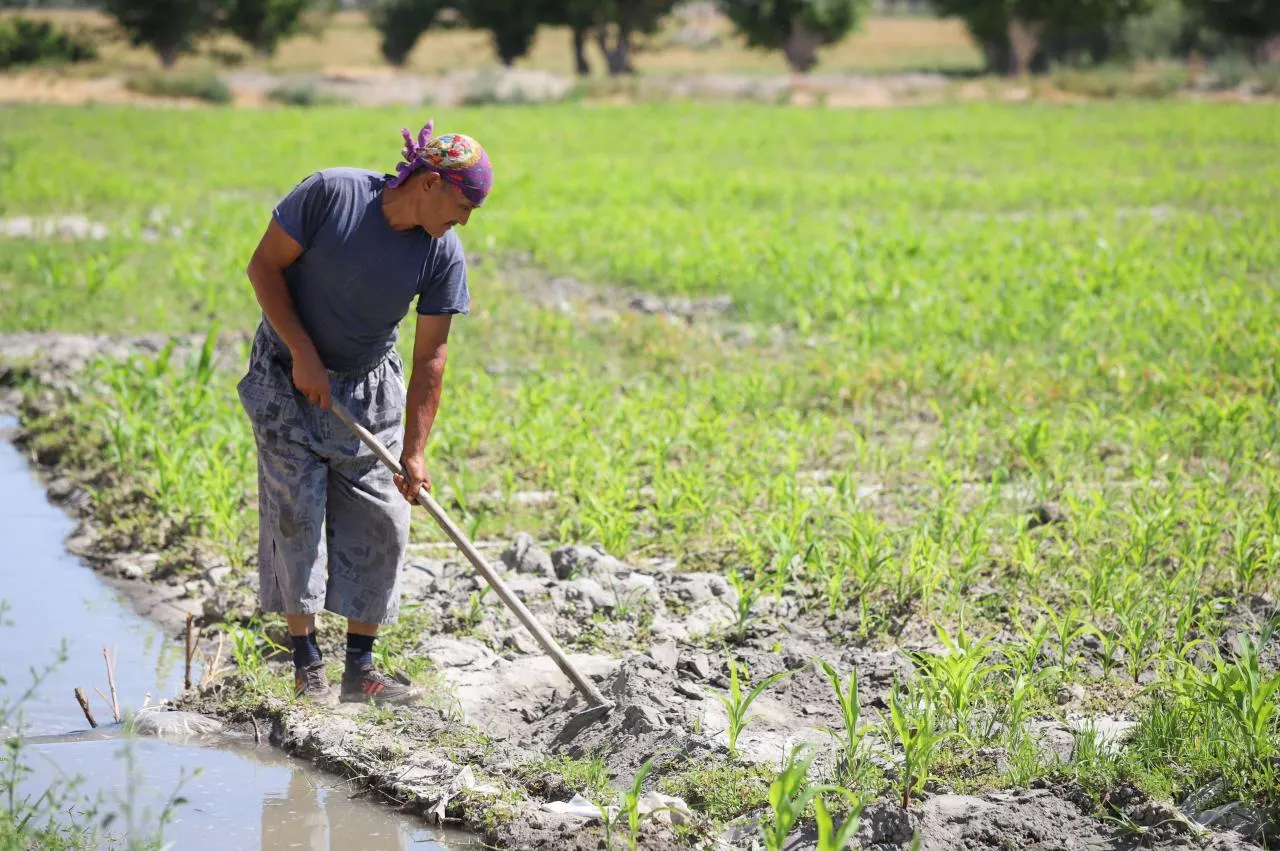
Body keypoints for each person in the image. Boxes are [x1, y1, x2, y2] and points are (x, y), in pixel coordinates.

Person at [237, 119, 492, 706]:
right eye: (462, 203)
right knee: (295, 516)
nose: (465, 220)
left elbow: (431, 353)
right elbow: (263, 267)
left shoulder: (441, 253)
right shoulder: (331, 195)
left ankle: (361, 669)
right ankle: (307, 666)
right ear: (429, 182)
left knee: (383, 522)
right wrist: (302, 353)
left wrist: (416, 448)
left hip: (369, 389)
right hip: (288, 377)